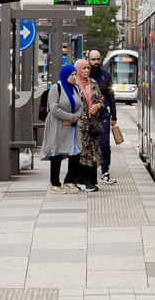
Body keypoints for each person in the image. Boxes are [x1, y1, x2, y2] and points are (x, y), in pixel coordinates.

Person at [39, 67, 83, 193]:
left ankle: (70, 180)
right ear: (65, 75)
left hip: (71, 126)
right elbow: (54, 108)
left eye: (75, 74)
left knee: (76, 151)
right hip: (57, 125)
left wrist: (75, 118)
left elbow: (80, 106)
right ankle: (55, 184)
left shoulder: (74, 88)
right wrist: (71, 117)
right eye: (71, 75)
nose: (74, 77)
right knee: (56, 153)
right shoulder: (56, 88)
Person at [69, 58, 104, 191]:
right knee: (80, 153)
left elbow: (101, 100)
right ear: (77, 69)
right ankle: (78, 180)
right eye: (83, 68)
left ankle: (91, 181)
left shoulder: (93, 83)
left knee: (92, 152)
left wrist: (97, 105)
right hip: (78, 124)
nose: (86, 70)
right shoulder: (74, 84)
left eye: (88, 68)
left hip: (92, 124)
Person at [86, 50, 118, 183]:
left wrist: (114, 116)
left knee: (104, 144)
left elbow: (111, 96)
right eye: (93, 59)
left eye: (98, 59)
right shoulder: (85, 75)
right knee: (88, 145)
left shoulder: (106, 75)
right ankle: (88, 173)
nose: (96, 62)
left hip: (103, 114)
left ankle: (105, 171)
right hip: (87, 116)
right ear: (88, 59)